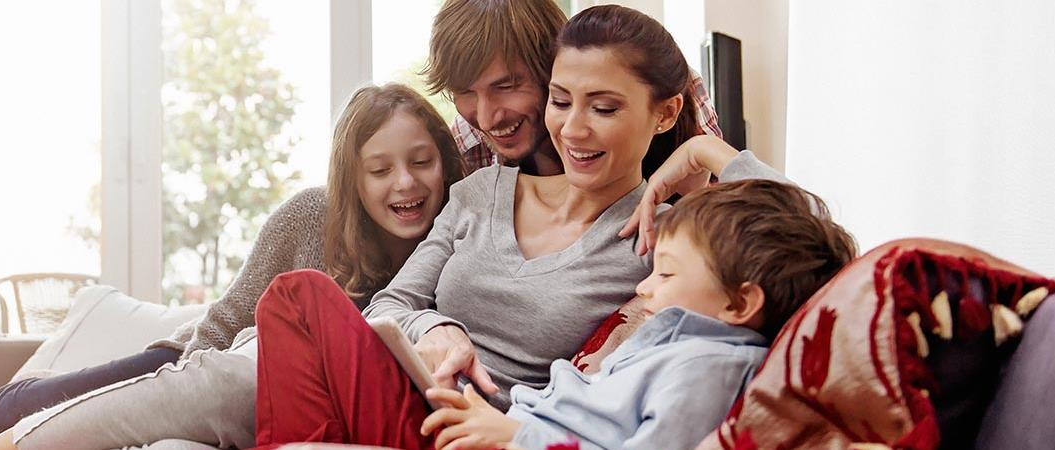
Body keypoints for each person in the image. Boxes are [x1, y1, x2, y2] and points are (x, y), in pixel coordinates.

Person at [251, 5, 789, 448]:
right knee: (297, 298)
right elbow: (388, 305)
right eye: (560, 101)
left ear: (665, 114)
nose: (572, 128)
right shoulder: (479, 191)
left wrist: (706, 151)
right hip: (413, 397)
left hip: (490, 428)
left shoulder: (664, 238)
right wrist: (434, 328)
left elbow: (805, 243)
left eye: (602, 108)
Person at [0, 83, 467, 449]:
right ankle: (12, 397)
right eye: (380, 170)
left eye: (421, 163)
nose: (405, 183)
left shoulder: (457, 241)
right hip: (193, 358)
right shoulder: (311, 215)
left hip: (283, 392)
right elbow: (227, 321)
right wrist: (183, 391)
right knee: (5, 411)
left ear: (444, 163)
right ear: (352, 179)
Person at [419, 179, 857, 450]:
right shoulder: (677, 347)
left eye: (666, 273)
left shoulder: (711, 369)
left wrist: (515, 437)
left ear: (739, 304)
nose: (643, 288)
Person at [424, 0, 723, 175]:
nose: (487, 119)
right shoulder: (468, 143)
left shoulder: (664, 88)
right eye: (465, 92)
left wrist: (702, 152)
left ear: (553, 64)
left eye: (507, 86)